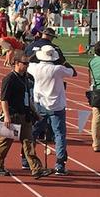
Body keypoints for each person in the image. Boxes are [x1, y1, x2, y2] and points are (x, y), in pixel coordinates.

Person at [0, 55, 51, 178]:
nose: (27, 66)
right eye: (25, 63)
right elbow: (4, 99)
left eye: (28, 64)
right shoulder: (9, 79)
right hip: (13, 115)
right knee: (5, 141)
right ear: (16, 63)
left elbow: (27, 98)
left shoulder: (26, 78)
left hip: (25, 115)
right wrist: (7, 116)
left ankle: (36, 168)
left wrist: (35, 113)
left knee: (29, 142)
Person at [28, 45, 76, 175]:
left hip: (40, 105)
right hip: (57, 106)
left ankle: (26, 159)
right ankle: (59, 164)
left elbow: (28, 61)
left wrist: (36, 54)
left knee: (33, 132)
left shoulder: (35, 67)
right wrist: (62, 59)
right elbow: (73, 72)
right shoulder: (58, 69)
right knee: (59, 134)